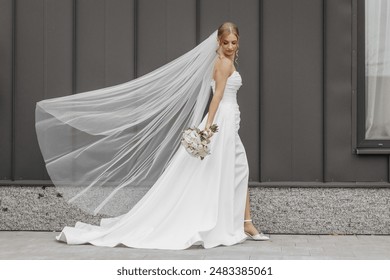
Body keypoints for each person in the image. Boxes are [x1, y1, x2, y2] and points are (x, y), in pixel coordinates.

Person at [36, 22, 269, 250]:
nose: (230, 46)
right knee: (236, 169)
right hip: (221, 123)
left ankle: (246, 223)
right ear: (219, 41)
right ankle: (244, 224)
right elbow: (216, 97)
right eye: (226, 42)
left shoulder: (224, 61)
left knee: (238, 169)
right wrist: (208, 128)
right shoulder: (223, 64)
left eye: (234, 42)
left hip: (228, 121)